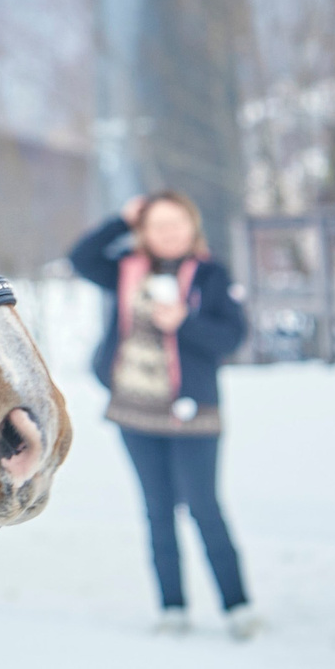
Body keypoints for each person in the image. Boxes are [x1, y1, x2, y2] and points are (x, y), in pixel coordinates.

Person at [67, 191, 259, 639]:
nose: (169, 233)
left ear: (192, 226)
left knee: (204, 508)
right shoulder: (125, 268)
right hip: (134, 410)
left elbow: (232, 338)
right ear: (143, 231)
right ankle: (172, 607)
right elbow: (81, 258)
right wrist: (121, 220)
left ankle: (238, 606)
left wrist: (183, 322)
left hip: (193, 412)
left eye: (177, 223)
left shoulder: (212, 275)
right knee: (157, 511)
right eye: (157, 225)